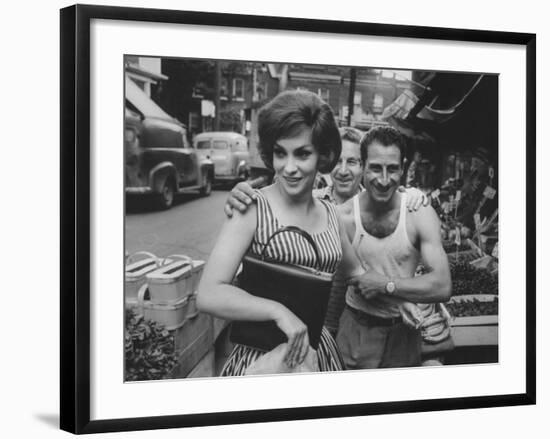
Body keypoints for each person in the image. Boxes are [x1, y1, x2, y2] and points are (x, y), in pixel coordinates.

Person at [196, 90, 364, 376]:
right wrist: (279, 312)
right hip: (259, 360)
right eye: (280, 153)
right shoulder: (251, 207)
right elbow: (208, 294)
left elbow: (357, 274)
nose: (289, 168)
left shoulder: (332, 214)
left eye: (302, 153)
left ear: (322, 155)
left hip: (315, 354)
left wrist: (401, 296)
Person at [333, 126, 452, 369]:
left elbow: (442, 285)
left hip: (404, 334)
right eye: (376, 167)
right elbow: (344, 278)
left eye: (393, 169)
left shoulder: (419, 213)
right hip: (355, 330)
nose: (384, 180)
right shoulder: (343, 218)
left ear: (404, 167)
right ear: (363, 166)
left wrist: (385, 285)